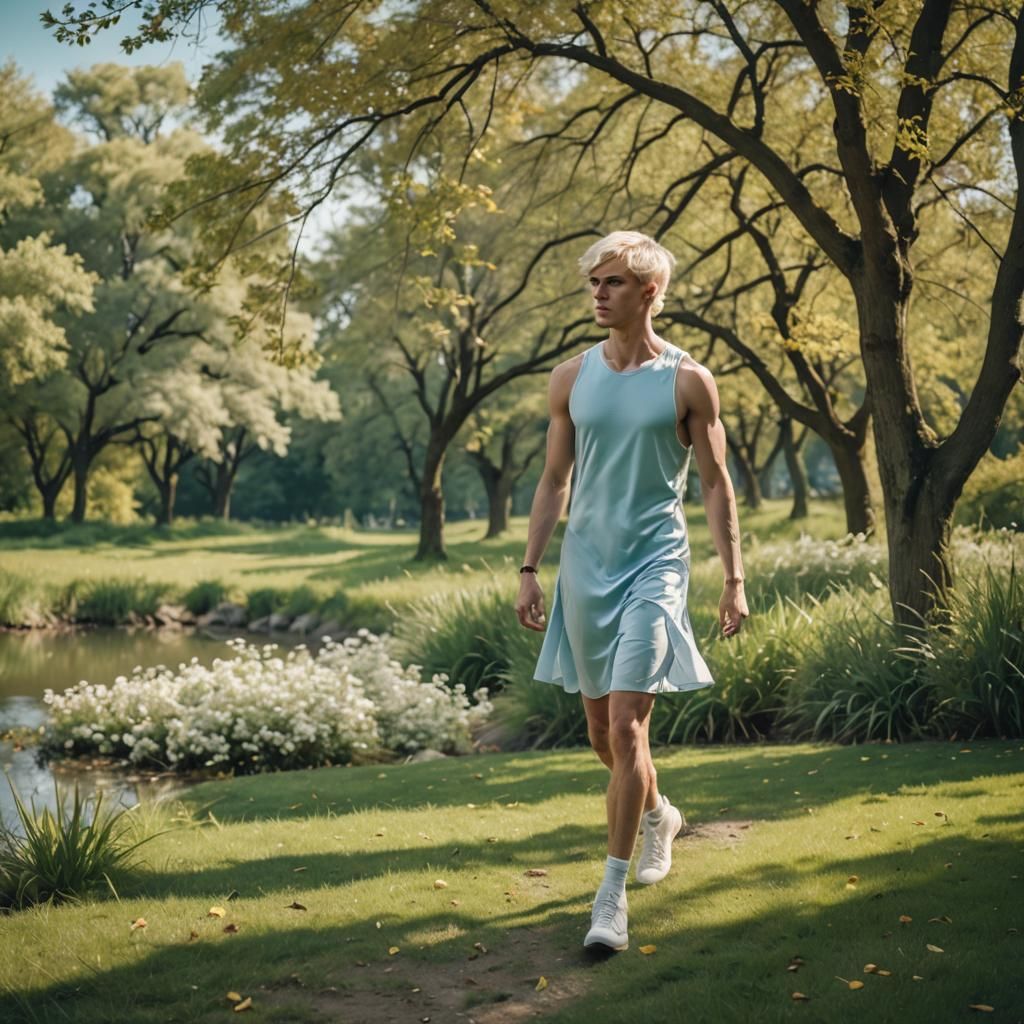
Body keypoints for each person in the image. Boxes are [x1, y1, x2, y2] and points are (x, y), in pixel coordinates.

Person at [515, 230, 749, 952]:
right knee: (599, 733)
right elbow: (555, 480)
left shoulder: (687, 381)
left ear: (650, 292)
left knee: (627, 727)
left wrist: (734, 578)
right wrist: (529, 567)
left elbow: (714, 484)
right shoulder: (569, 377)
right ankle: (657, 813)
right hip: (586, 566)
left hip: (657, 563)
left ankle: (609, 900)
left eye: (613, 282)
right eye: (595, 282)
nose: (598, 293)